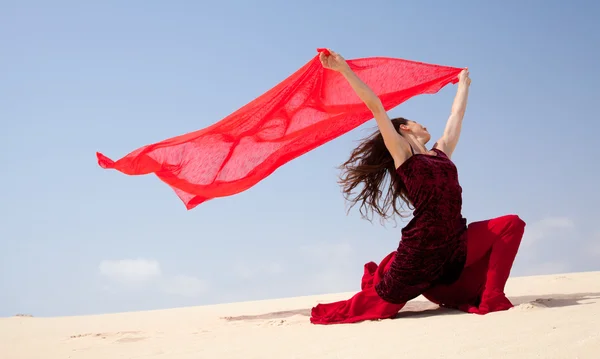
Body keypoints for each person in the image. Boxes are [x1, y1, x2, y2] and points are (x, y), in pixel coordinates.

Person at [310, 49, 526, 325]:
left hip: (456, 243)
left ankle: (493, 296)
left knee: (511, 224)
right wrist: (344, 70)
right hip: (422, 249)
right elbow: (375, 106)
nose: (425, 124)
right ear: (405, 129)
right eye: (417, 122)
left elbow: (456, 117)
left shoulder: (441, 152)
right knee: (380, 306)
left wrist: (463, 84)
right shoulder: (402, 154)